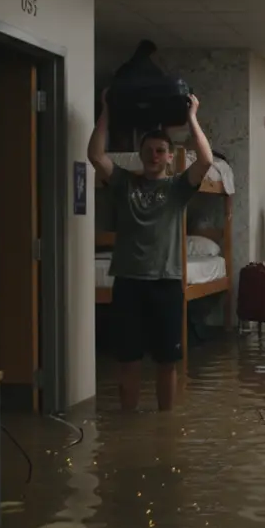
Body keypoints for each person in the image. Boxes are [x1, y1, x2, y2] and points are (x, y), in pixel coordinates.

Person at [88, 90, 213, 412]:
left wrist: (191, 118)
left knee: (166, 362)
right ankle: (129, 424)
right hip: (129, 282)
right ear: (141, 154)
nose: (154, 156)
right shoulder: (123, 183)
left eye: (161, 151)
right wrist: (105, 110)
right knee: (128, 361)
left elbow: (206, 161)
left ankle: (164, 427)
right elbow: (95, 156)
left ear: (170, 156)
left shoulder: (177, 189)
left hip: (166, 283)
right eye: (149, 151)